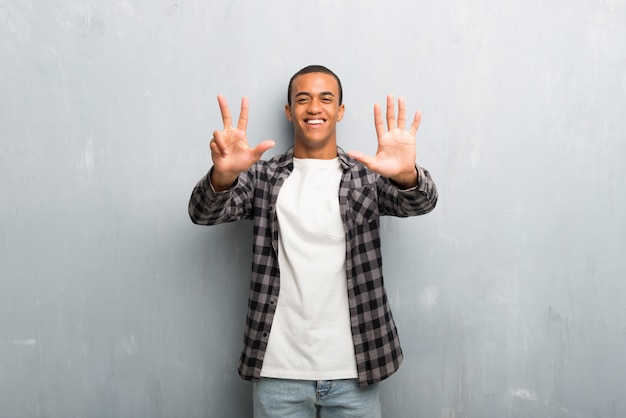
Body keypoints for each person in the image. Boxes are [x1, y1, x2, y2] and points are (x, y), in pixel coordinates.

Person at [188, 65, 438, 417]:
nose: (314, 107)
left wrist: (406, 174)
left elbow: (421, 202)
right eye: (303, 99)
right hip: (278, 372)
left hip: (356, 370)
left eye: (326, 98)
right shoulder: (263, 177)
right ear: (290, 111)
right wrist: (222, 175)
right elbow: (203, 213)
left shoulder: (366, 175)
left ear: (340, 110)